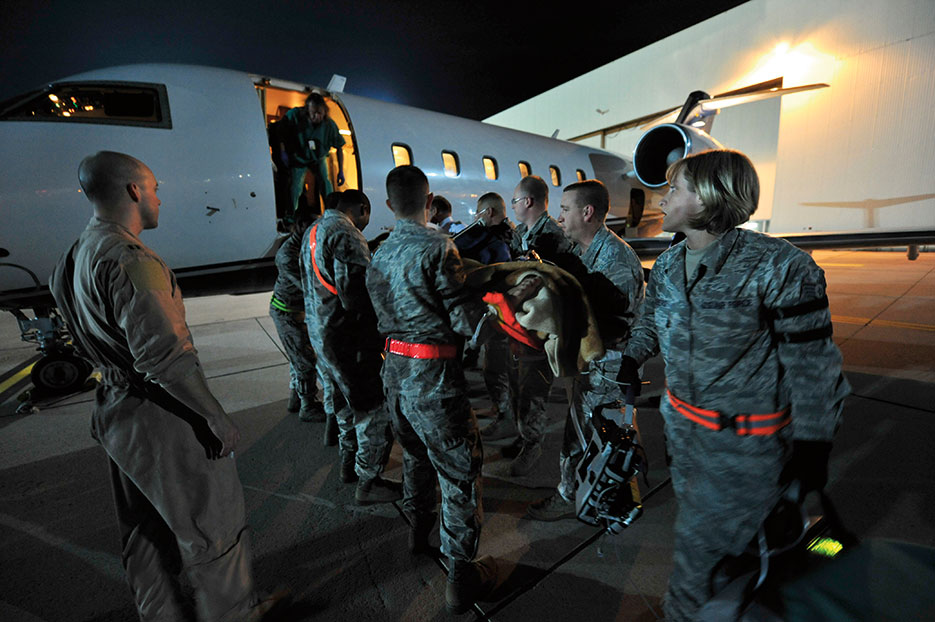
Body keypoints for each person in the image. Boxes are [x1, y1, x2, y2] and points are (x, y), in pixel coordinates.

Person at [48, 151, 286, 621]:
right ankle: (234, 614)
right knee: (212, 525)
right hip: (159, 413)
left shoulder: (76, 252)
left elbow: (77, 328)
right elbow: (163, 357)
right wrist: (214, 416)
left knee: (145, 530)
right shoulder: (131, 259)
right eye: (154, 187)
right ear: (134, 191)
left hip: (115, 412)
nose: (159, 197)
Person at [616, 149, 849, 621]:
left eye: (675, 188)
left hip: (744, 449)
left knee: (695, 562)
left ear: (707, 198)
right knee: (726, 549)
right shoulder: (667, 264)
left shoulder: (781, 267)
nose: (663, 196)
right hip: (683, 438)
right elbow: (650, 325)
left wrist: (813, 445)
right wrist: (631, 356)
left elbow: (814, 366)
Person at [366, 165, 498, 614]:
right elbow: (461, 314)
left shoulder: (379, 253)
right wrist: (493, 320)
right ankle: (461, 576)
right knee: (460, 471)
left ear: (388, 205)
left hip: (395, 372)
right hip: (433, 376)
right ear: (429, 202)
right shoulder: (439, 245)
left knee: (415, 458)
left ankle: (417, 533)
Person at [527, 179, 645, 520]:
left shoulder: (616, 259)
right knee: (592, 430)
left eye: (565, 210)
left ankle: (573, 497)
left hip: (610, 363)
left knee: (588, 432)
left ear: (587, 212)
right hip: (592, 359)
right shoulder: (583, 251)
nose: (559, 217)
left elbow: (615, 321)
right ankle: (604, 493)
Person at [299, 188, 399, 504]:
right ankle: (370, 481)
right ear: (362, 208)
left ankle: (349, 462)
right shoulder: (347, 233)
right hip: (348, 337)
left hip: (321, 333)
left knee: (342, 401)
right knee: (371, 408)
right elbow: (356, 296)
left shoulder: (313, 231)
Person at [483, 175, 576, 477]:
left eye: (514, 201)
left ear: (528, 202)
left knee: (533, 391)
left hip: (537, 328)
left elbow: (551, 286)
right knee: (515, 385)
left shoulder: (553, 236)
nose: (511, 207)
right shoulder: (521, 232)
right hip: (516, 328)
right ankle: (521, 434)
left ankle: (533, 445)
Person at [269, 200, 325, 422]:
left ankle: (297, 398)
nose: (318, 228)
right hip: (286, 313)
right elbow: (307, 286)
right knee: (303, 360)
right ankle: (308, 406)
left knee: (297, 357)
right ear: (301, 225)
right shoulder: (288, 254)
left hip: (296, 311)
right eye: (314, 223)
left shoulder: (305, 244)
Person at [276, 92, 345, 213]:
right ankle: (291, 217)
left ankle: (331, 213)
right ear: (307, 111)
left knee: (325, 184)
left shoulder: (330, 125)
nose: (317, 117)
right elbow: (280, 133)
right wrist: (283, 152)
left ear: (325, 112)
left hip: (318, 158)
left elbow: (339, 147)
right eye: (313, 113)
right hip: (298, 159)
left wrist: (341, 170)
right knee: (295, 188)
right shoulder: (295, 116)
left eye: (320, 113)